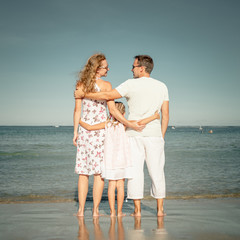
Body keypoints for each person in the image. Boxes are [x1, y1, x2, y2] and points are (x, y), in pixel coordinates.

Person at [75, 55, 169, 217]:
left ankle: (136, 210)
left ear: (141, 68)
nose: (131, 69)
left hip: (129, 134)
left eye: (133, 66)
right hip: (151, 135)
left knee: (134, 173)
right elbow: (165, 115)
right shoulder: (162, 86)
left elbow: (103, 98)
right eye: (106, 67)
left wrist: (83, 95)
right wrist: (161, 136)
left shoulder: (129, 84)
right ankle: (159, 210)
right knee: (157, 171)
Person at [79, 101, 160, 217]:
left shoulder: (106, 124)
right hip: (123, 159)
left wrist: (78, 120)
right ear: (123, 112)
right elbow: (140, 122)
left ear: (111, 112)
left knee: (111, 185)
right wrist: (154, 116)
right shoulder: (124, 124)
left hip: (109, 160)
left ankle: (112, 213)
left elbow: (89, 127)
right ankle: (119, 212)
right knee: (121, 186)